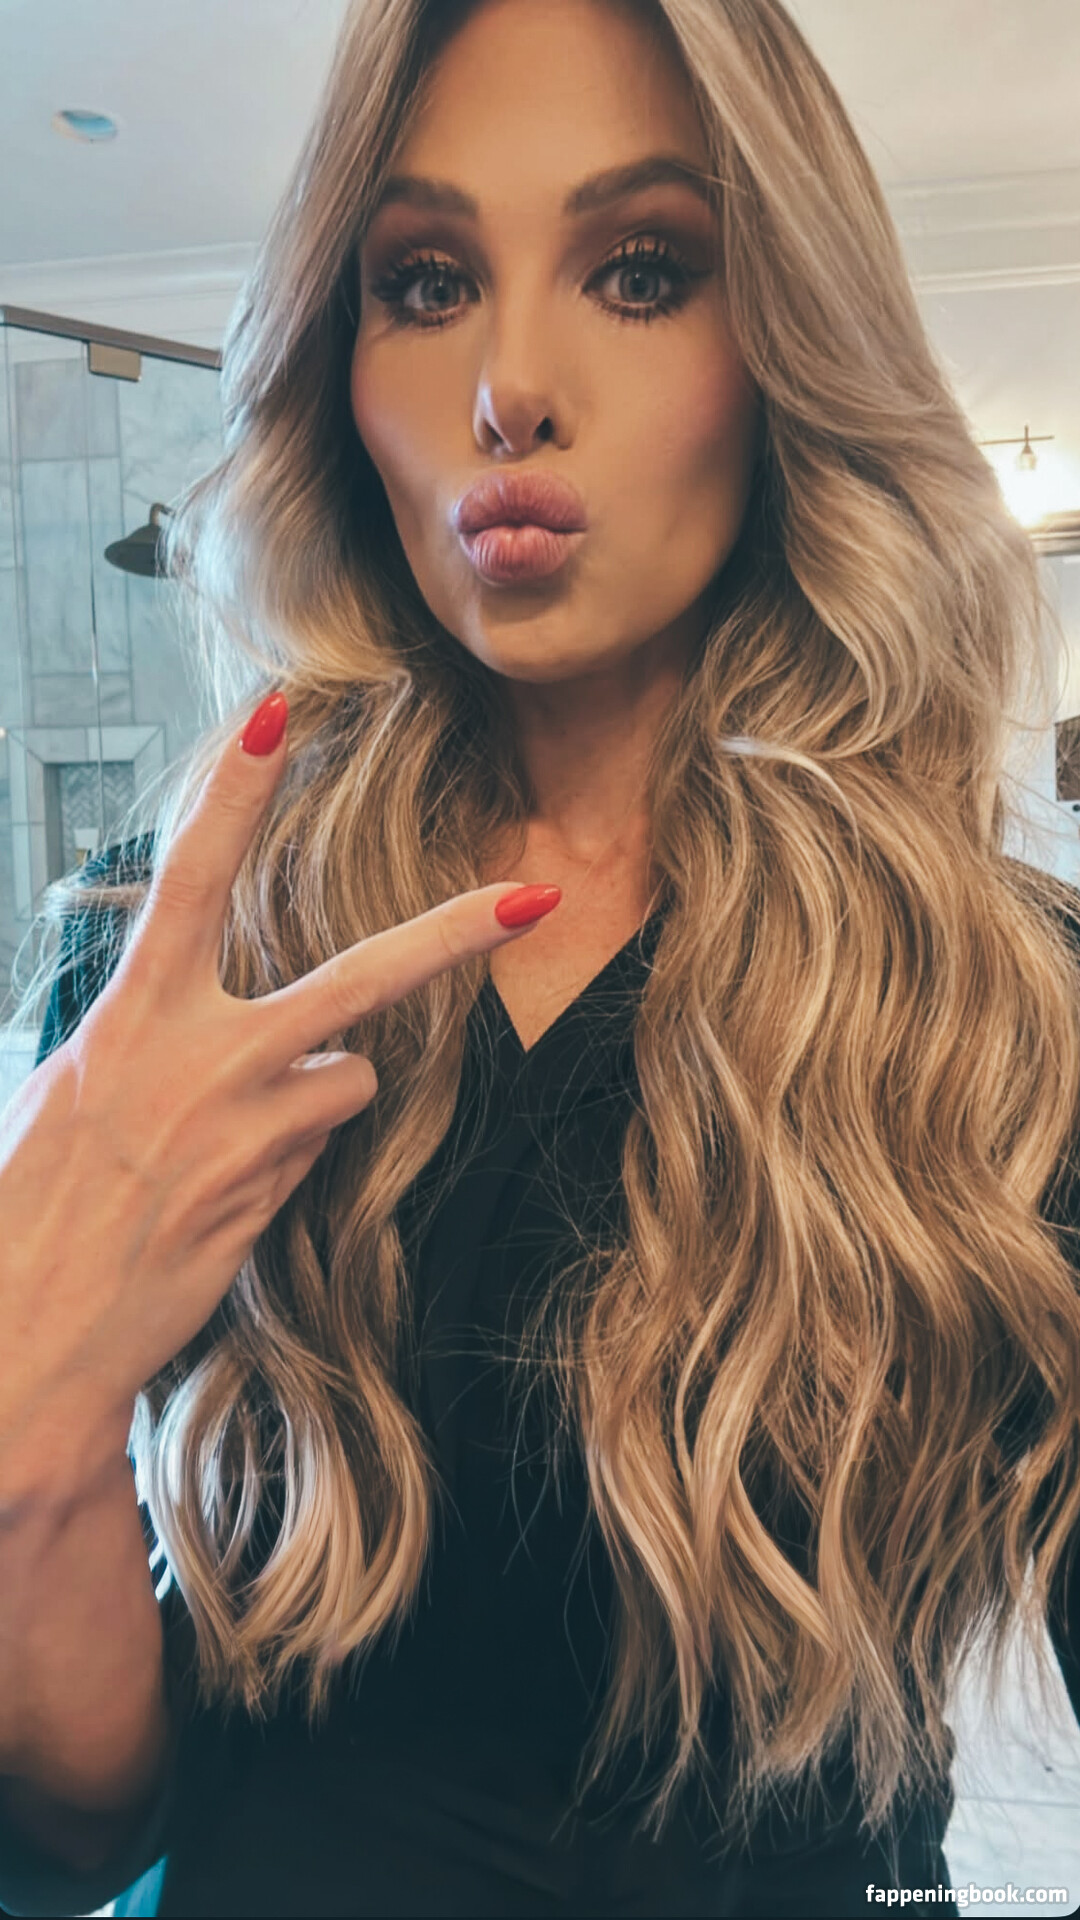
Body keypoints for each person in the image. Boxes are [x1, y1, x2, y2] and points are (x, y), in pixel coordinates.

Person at [1, 0, 1078, 1914]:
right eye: (425, 284)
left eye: (641, 271)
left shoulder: (1009, 1014)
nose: (509, 387)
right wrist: (29, 1412)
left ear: (788, 349)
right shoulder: (181, 968)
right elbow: (85, 1828)